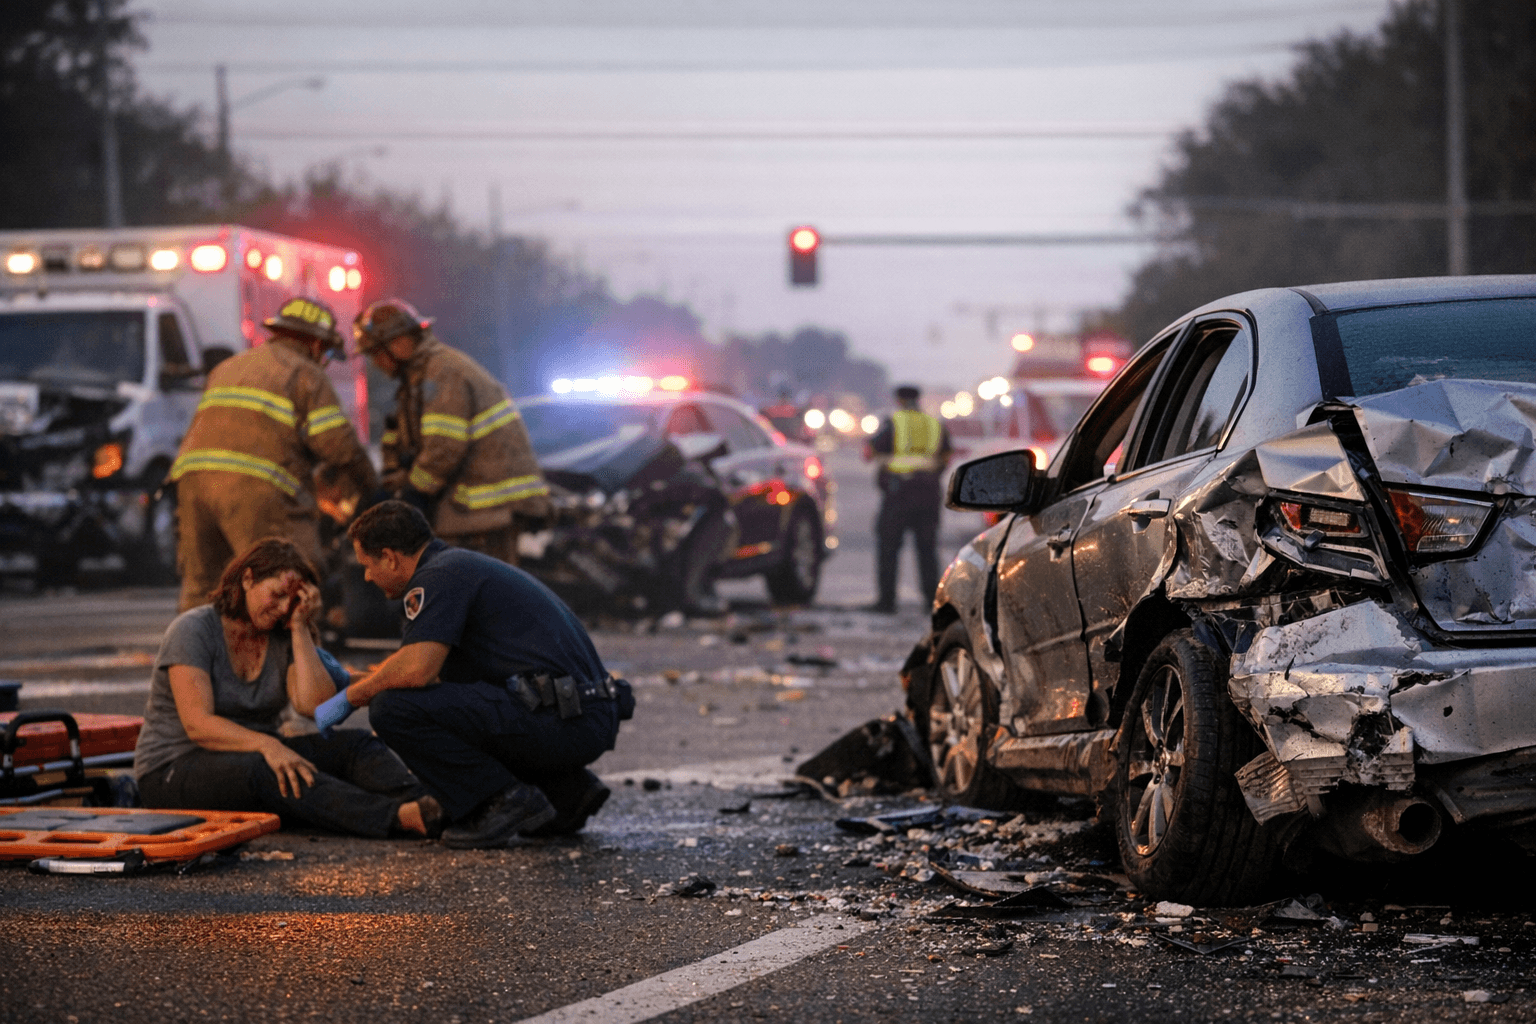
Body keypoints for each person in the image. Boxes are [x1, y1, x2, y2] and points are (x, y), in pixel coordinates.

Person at [313, 501, 631, 849]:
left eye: (367, 565)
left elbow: (419, 669)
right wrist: (360, 679)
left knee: (393, 709)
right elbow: (438, 682)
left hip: (567, 719)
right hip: (583, 714)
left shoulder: (436, 576)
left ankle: (498, 802)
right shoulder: (458, 566)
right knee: (439, 700)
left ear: (389, 557)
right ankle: (566, 793)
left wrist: (352, 697)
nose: (367, 577)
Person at [133, 538, 441, 839]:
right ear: (248, 579)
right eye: (277, 595)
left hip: (257, 756)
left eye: (291, 601)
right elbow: (198, 725)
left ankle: (435, 805)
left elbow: (312, 704)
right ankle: (396, 818)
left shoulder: (282, 633)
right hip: (172, 770)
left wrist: (300, 627)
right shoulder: (194, 629)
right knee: (270, 770)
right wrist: (269, 745)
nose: (282, 608)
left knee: (354, 746)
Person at [168, 296, 378, 612]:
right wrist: (373, 487)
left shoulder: (230, 366)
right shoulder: (306, 374)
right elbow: (338, 446)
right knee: (287, 578)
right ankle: (287, 660)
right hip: (254, 491)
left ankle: (193, 659)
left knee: (204, 588)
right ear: (317, 344)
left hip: (192, 483)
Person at [353, 299, 549, 565]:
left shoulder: (442, 372)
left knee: (481, 597)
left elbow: (444, 447)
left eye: (376, 353)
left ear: (399, 343)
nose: (375, 363)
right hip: (470, 510)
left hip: (484, 509)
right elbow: (405, 446)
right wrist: (390, 489)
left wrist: (413, 495)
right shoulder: (416, 379)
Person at [863, 384, 952, 614]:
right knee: (928, 549)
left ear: (899, 400)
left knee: (889, 548)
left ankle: (886, 602)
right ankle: (931, 601)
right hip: (928, 492)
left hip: (899, 493)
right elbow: (946, 456)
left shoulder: (893, 422)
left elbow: (869, 452)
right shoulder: (934, 423)